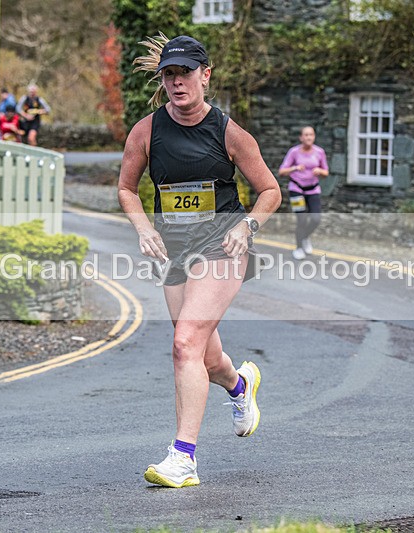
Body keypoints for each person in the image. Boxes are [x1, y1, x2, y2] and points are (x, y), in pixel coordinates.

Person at [117, 34, 281, 488]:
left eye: (185, 73)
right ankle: (239, 384)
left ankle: (183, 458)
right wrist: (145, 228)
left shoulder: (229, 133)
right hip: (174, 253)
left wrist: (245, 227)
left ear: (204, 76)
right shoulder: (146, 131)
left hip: (221, 249)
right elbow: (127, 189)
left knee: (184, 341)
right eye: (168, 74)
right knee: (204, 357)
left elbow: (271, 191)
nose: (176, 82)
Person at [278, 126, 329, 260]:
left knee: (316, 219)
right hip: (297, 189)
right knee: (301, 219)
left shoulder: (319, 152)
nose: (308, 137)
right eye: (305, 135)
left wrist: (319, 171)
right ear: (301, 137)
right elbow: (282, 171)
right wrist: (295, 168)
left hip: (313, 189)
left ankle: (305, 237)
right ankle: (299, 247)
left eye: (311, 135)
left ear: (314, 137)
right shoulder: (294, 152)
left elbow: (326, 172)